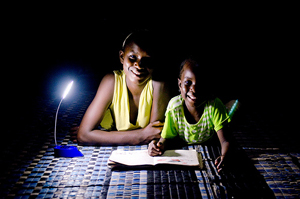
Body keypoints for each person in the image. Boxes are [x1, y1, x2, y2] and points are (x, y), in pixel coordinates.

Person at [74, 30, 170, 146]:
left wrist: (99, 135)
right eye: (132, 57)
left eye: (147, 60)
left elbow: (153, 136)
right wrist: (141, 135)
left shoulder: (159, 84)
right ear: (121, 57)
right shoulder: (111, 82)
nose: (139, 65)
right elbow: (83, 135)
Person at [148, 57, 231, 172]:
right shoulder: (174, 108)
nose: (194, 89)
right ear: (179, 84)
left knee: (233, 114)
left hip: (211, 141)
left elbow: (225, 140)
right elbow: (165, 139)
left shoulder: (214, 106)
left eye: (200, 83)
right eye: (188, 83)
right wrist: (156, 146)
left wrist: (224, 155)